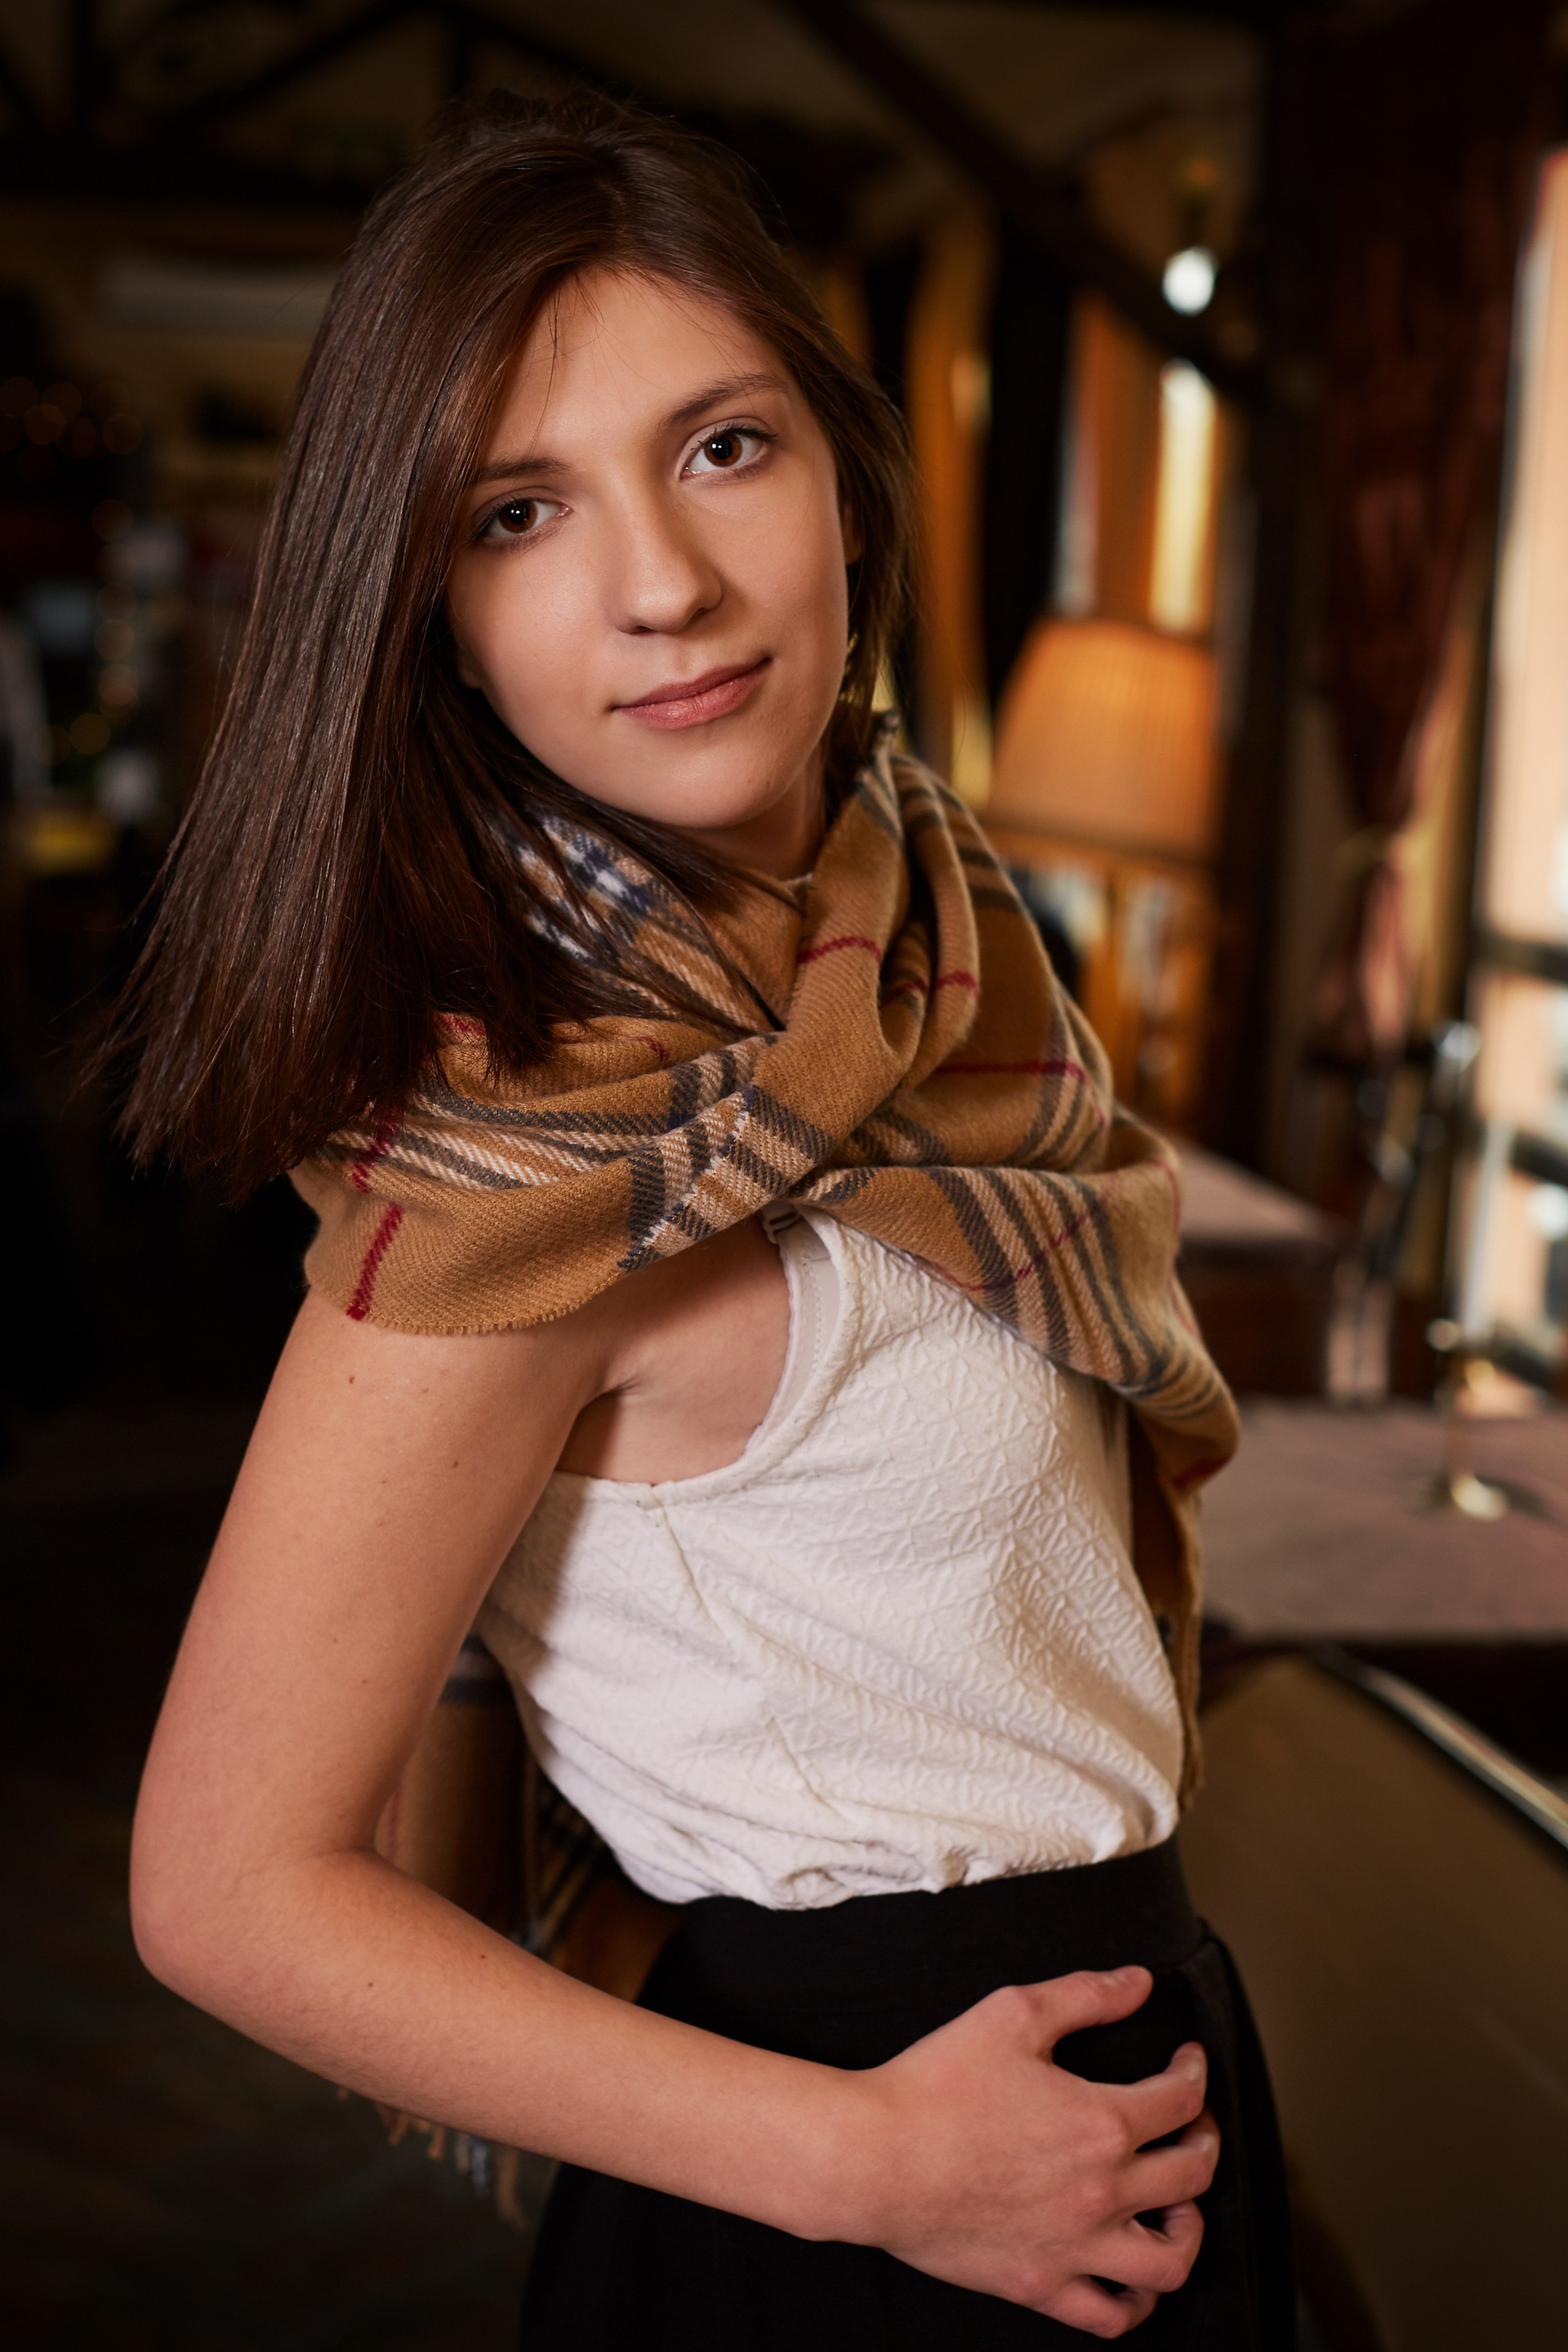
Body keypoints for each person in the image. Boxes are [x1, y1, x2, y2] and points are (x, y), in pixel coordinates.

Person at [120, 92, 1294, 2349]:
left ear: (848, 475)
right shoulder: (532, 1168)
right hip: (853, 2198)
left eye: (724, 447)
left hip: (1115, 2103)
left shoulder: (940, 955)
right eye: (518, 511)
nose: (660, 581)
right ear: (434, 620)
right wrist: (871, 2167)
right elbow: (223, 1887)